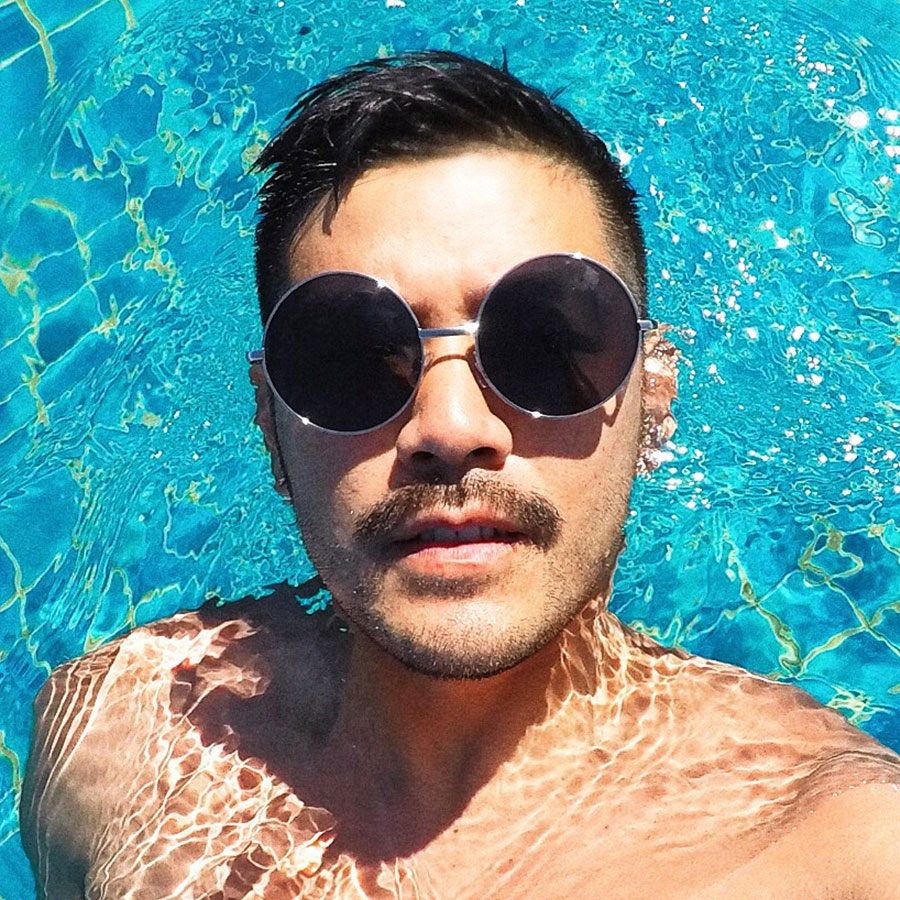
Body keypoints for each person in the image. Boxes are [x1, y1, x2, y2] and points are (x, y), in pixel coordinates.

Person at [20, 51, 900, 900]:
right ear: (270, 424)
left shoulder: (837, 852)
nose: (449, 429)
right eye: (350, 357)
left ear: (654, 400)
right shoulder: (116, 749)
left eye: (544, 346)